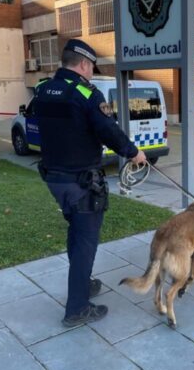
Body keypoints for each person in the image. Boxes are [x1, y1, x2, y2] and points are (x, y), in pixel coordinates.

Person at [34, 38, 147, 327]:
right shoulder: (86, 93)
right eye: (92, 67)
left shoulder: (44, 89)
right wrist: (134, 153)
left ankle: (81, 284)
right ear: (83, 63)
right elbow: (108, 130)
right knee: (86, 242)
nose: (92, 73)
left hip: (54, 180)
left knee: (76, 232)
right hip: (82, 182)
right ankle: (77, 309)